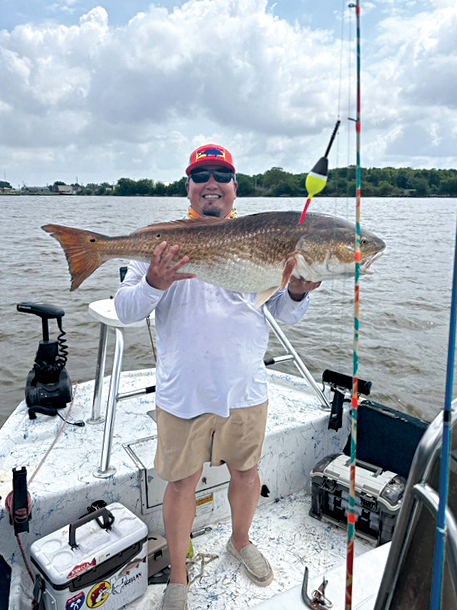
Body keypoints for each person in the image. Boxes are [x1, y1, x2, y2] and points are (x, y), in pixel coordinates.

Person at [115, 143, 321, 610]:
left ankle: (240, 540)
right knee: (181, 484)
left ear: (234, 187)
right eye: (201, 175)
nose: (212, 183)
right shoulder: (159, 241)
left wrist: (296, 291)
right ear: (188, 186)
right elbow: (126, 310)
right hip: (183, 392)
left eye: (222, 175)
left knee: (247, 473)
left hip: (245, 387)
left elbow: (285, 313)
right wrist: (154, 282)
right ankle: (179, 578)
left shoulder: (267, 238)